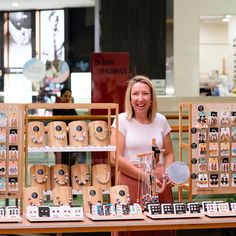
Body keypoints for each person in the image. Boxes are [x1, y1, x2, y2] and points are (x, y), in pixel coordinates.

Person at [110, 75, 175, 236]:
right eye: (135, 94)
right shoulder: (121, 121)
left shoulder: (161, 120)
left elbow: (169, 154)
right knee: (133, 227)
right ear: (130, 98)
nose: (140, 98)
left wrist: (168, 173)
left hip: (160, 183)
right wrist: (145, 177)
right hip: (130, 179)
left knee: (161, 228)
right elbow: (114, 158)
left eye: (145, 93)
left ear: (152, 98)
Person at [52, 87, 80, 166]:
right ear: (61, 97)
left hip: (71, 138)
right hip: (59, 138)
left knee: (71, 162)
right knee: (61, 163)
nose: (68, 98)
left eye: (69, 96)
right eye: (65, 96)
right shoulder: (56, 107)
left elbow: (76, 119)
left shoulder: (71, 108)